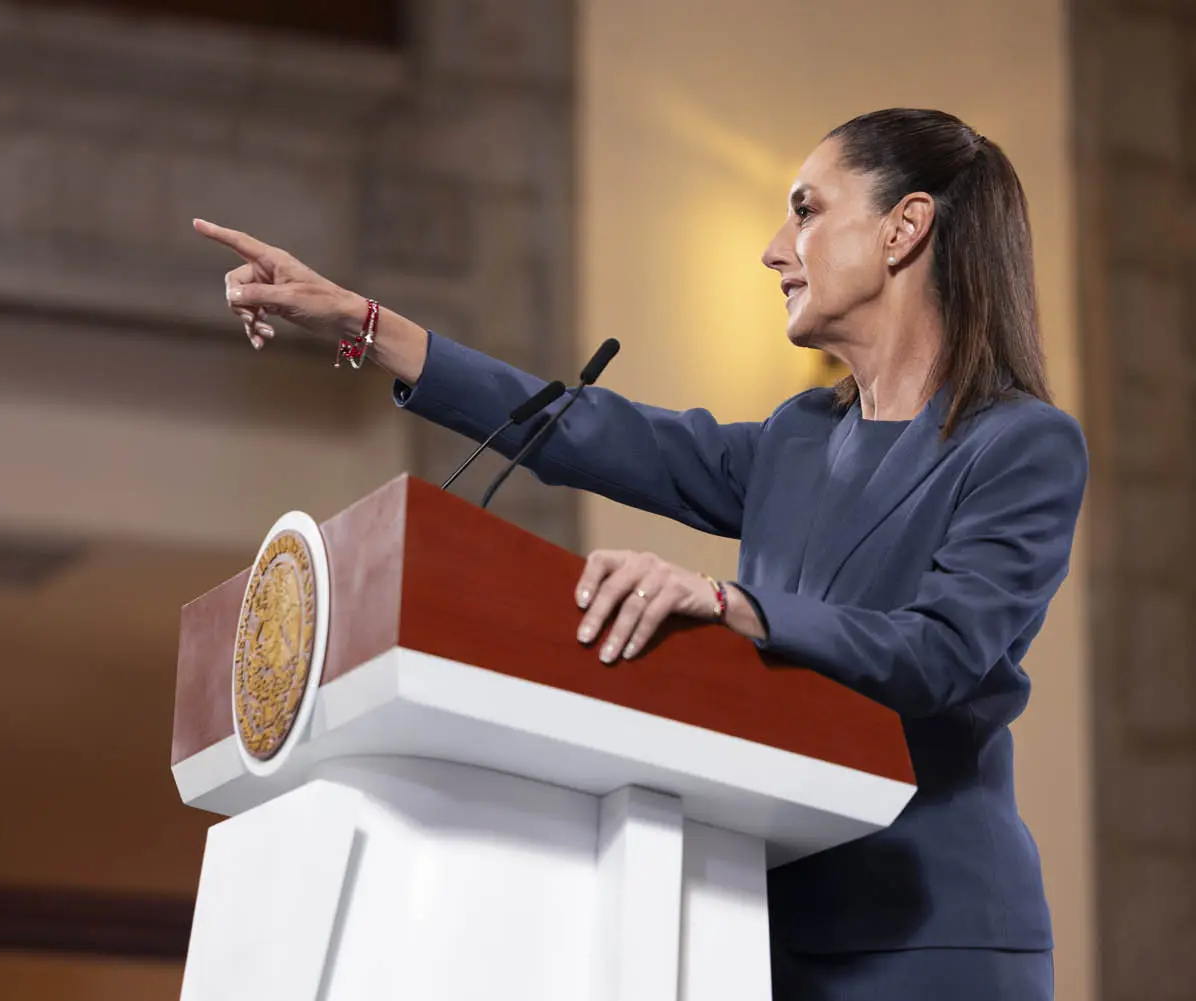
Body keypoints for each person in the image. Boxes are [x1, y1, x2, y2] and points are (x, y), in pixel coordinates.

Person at [192, 107, 1085, 1001]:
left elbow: (941, 650)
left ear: (905, 227)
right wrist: (363, 320)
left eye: (805, 211)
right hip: (759, 933)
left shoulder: (1022, 445)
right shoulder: (799, 437)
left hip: (936, 938)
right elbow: (589, 431)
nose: (775, 248)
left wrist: (730, 604)